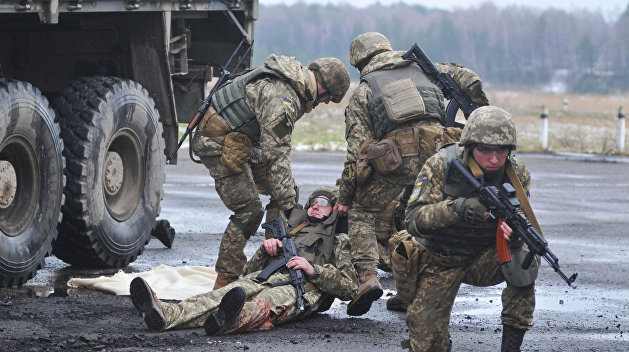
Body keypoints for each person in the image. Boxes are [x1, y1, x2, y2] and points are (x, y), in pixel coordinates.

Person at [335, 32, 489, 315]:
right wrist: (481, 111)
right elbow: (469, 79)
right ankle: (411, 292)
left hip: (396, 163)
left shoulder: (364, 90)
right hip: (440, 157)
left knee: (362, 213)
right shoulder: (426, 70)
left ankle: (367, 280)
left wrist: (345, 196)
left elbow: (357, 153)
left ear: (359, 62)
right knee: (414, 218)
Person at [191, 55, 350, 289]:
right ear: (323, 88)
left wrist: (285, 199)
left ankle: (276, 254)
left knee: (284, 190)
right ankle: (226, 279)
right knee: (249, 210)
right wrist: (289, 207)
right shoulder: (283, 98)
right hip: (216, 143)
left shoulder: (291, 83)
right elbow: (277, 154)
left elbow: (274, 157)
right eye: (329, 98)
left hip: (241, 141)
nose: (326, 104)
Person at [129, 186, 358, 335]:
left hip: (301, 290)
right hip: (263, 278)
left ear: (335, 211)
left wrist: (313, 270)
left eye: (324, 203)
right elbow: (251, 270)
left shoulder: (338, 241)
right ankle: (165, 315)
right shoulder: (293, 232)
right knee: (220, 295)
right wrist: (264, 251)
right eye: (313, 203)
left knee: (263, 305)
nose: (316, 206)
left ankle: (228, 320)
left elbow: (350, 288)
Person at [402, 106, 536, 351]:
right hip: (440, 258)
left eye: (502, 150)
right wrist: (457, 209)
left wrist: (514, 235)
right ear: (470, 146)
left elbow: (519, 220)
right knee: (428, 345)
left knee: (525, 262)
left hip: (484, 258)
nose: (494, 159)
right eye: (485, 150)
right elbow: (412, 219)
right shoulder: (441, 165)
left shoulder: (517, 174)